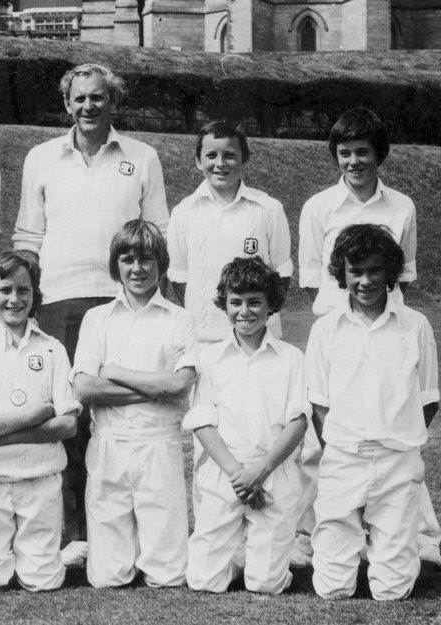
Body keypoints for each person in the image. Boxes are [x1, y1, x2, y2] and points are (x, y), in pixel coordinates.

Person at [13, 62, 168, 549]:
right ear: (67, 103)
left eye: (98, 98)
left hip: (123, 303)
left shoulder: (141, 156)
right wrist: (28, 303)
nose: (88, 107)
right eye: (79, 98)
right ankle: (75, 532)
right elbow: (28, 238)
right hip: (59, 299)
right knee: (71, 415)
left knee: (123, 417)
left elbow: (157, 231)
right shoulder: (41, 157)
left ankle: (130, 529)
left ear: (113, 102)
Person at [294, 107, 441, 568]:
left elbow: (406, 276)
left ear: (379, 154)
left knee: (392, 443)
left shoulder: (402, 206)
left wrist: (390, 328)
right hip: (337, 334)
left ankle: (412, 538)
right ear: (335, 157)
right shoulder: (318, 207)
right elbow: (314, 280)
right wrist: (341, 328)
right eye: (345, 153)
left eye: (363, 152)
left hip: (388, 330)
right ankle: (318, 537)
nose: (354, 161)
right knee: (327, 441)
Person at [306, 223, 438, 600]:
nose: (365, 281)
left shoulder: (415, 326)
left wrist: (397, 440)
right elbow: (318, 403)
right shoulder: (325, 329)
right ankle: (345, 556)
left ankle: (396, 556)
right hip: (343, 458)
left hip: (397, 460)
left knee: (392, 591)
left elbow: (429, 397)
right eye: (355, 271)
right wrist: (339, 449)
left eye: (374, 271)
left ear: (390, 273)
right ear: (341, 274)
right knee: (332, 589)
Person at [72, 219, 197, 588]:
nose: (137, 269)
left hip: (159, 444)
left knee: (167, 575)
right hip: (109, 444)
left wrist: (114, 371)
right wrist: (155, 390)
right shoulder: (97, 319)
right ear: (116, 266)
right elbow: (84, 390)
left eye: (146, 259)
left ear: (160, 263)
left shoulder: (180, 318)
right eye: (127, 259)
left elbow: (180, 384)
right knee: (109, 577)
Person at [0, 250, 80, 591]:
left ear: (35, 294)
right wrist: (33, 417)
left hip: (41, 478)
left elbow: (68, 425)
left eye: (23, 290)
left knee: (43, 582)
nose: (14, 299)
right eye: (5, 290)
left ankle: (49, 556)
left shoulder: (53, 349)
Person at [184, 256, 308, 594]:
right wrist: (239, 473)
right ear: (224, 304)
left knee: (265, 585)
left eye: (255, 302)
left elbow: (297, 422)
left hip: (273, 470)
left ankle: (267, 551)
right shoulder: (209, 359)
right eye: (235, 302)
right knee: (204, 582)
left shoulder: (291, 358)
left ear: (271, 305)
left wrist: (261, 471)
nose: (245, 311)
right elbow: (203, 422)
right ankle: (238, 548)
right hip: (225, 472)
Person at [167, 121, 292, 345]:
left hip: (257, 336)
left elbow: (281, 274)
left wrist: (255, 320)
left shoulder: (269, 208)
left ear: (244, 159)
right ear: (198, 161)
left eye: (230, 155)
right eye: (211, 155)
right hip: (204, 338)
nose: (220, 164)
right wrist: (206, 318)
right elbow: (180, 278)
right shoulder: (183, 212)